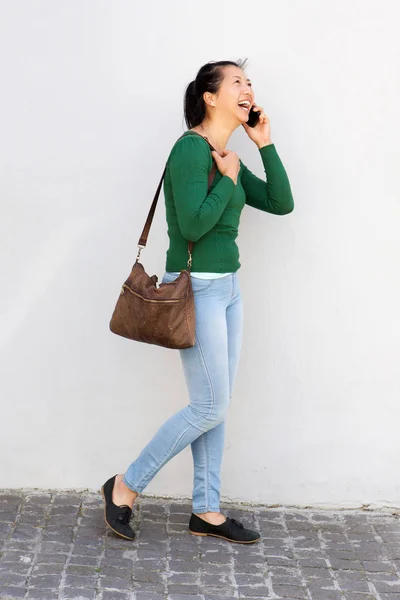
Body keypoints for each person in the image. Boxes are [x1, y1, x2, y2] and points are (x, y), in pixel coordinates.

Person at [102, 58, 294, 544]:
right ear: (210, 96)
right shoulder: (191, 150)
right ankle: (125, 486)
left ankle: (206, 511)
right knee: (209, 404)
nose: (248, 89)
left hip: (228, 289)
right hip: (197, 290)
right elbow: (190, 227)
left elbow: (280, 201)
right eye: (238, 82)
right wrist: (227, 179)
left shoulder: (228, 152)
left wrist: (263, 146)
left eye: (250, 82)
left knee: (216, 405)